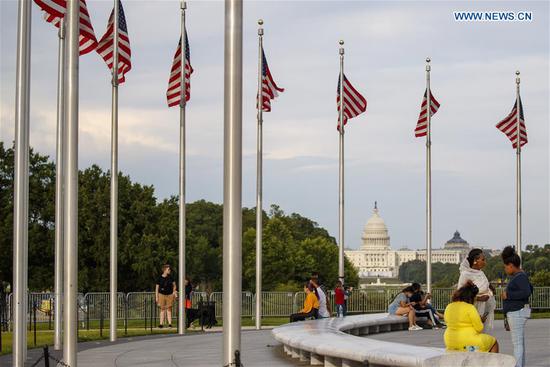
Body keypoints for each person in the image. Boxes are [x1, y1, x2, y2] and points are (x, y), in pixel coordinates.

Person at [444, 281, 498, 353]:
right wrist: (481, 321)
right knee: (494, 342)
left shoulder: (449, 306)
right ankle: (491, 363)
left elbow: (447, 322)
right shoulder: (470, 308)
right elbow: (479, 328)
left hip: (450, 343)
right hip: (468, 345)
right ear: (471, 297)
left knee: (463, 347)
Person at [501, 246, 533, 367]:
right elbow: (530, 289)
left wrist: (508, 294)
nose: (505, 269)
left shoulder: (520, 276)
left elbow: (526, 292)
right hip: (517, 312)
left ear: (511, 265)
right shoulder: (520, 275)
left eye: (505, 266)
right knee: (519, 344)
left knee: (518, 344)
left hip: (517, 312)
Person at [458, 249, 496, 329]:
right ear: (475, 260)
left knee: (484, 334)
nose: (485, 262)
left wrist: (490, 288)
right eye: (483, 260)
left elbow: (484, 284)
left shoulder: (480, 272)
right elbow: (459, 295)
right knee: (474, 334)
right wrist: (478, 298)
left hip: (485, 309)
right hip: (474, 309)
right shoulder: (465, 274)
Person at [155, 264, 177, 328]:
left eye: (169, 269)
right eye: (168, 269)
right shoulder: (159, 278)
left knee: (169, 309)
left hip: (169, 294)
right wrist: (156, 297)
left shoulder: (171, 277)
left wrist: (173, 292)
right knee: (162, 309)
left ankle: (170, 324)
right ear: (165, 270)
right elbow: (156, 288)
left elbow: (174, 285)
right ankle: (161, 324)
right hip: (161, 294)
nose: (169, 270)